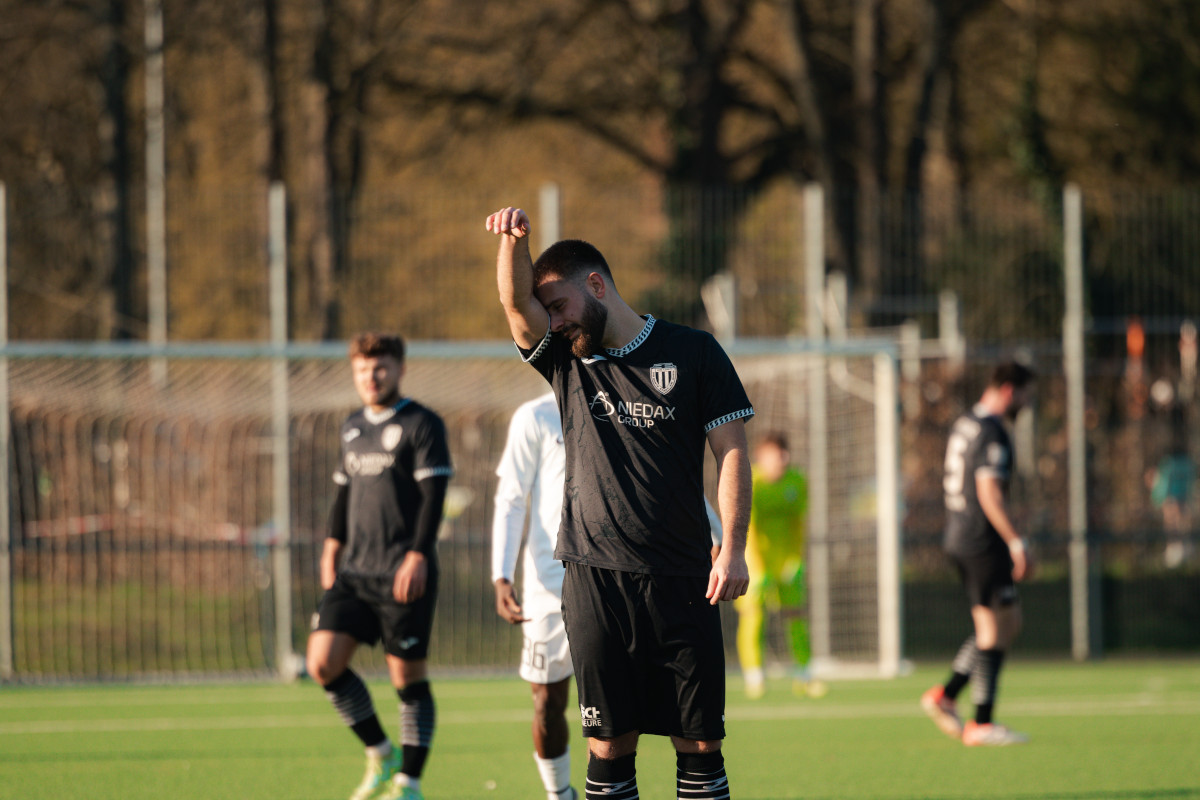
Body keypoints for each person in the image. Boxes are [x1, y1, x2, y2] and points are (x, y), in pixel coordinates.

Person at [487, 206, 754, 800]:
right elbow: (515, 307)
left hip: (685, 577)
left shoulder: (696, 352)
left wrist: (731, 548)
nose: (552, 322)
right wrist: (511, 244)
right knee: (610, 744)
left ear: (597, 285)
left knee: (701, 745)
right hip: (594, 582)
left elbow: (732, 452)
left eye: (558, 306)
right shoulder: (567, 362)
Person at [306, 332, 453, 800]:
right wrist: (332, 547)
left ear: (399, 368)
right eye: (363, 369)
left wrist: (416, 555)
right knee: (322, 664)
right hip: (355, 572)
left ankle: (409, 781)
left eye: (381, 366)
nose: (372, 376)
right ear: (354, 373)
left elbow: (434, 497)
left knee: (406, 679)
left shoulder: (422, 423)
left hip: (404, 573)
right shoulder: (351, 426)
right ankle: (380, 752)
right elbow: (344, 492)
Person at [922, 360, 1036, 747]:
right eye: (1025, 395)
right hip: (981, 541)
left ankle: (947, 695)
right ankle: (981, 723)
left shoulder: (967, 421)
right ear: (1009, 389)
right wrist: (1016, 540)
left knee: (1009, 621)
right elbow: (989, 493)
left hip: (961, 535)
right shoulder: (992, 431)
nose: (1026, 402)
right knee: (994, 628)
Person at [491, 392, 578, 800]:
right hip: (548, 588)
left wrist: (715, 533)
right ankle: (559, 794)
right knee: (546, 700)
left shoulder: (621, 399)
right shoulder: (536, 415)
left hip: (613, 581)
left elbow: (667, 473)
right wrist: (501, 575)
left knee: (617, 704)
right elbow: (510, 497)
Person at [735, 432, 824, 700]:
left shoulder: (797, 482)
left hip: (786, 561)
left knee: (795, 616)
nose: (780, 461)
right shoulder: (753, 482)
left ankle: (805, 675)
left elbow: (799, 525)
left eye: (782, 456)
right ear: (762, 458)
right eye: (773, 456)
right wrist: (756, 566)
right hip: (754, 558)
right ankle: (754, 677)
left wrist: (797, 560)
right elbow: (747, 526)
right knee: (753, 617)